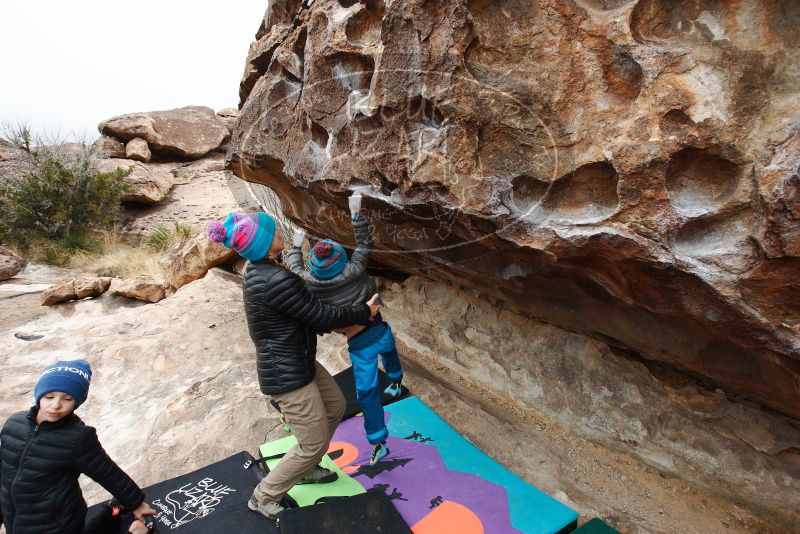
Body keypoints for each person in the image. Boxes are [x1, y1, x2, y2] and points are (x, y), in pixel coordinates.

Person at [206, 211, 381, 520]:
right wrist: (361, 311)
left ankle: (306, 467)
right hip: (288, 375)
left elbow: (305, 307)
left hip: (297, 361)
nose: (279, 235)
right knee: (312, 442)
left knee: (335, 405)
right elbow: (320, 316)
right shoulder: (275, 279)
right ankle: (264, 496)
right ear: (263, 244)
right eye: (273, 232)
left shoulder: (262, 269)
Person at [286, 192, 404, 465]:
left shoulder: (310, 281)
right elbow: (364, 244)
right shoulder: (354, 268)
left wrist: (296, 246)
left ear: (314, 269)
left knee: (367, 393)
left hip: (359, 343)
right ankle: (397, 381)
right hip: (379, 327)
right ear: (342, 259)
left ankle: (378, 441)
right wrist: (355, 213)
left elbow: (294, 268)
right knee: (390, 352)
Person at [0, 359, 155, 534]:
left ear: (77, 402)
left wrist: (136, 503)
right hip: (16, 519)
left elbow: (108, 473)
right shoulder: (13, 424)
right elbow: (4, 472)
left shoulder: (77, 437)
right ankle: (115, 516)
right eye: (49, 397)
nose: (56, 405)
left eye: (67, 398)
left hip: (58, 523)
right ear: (39, 395)